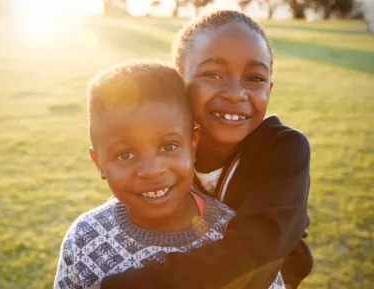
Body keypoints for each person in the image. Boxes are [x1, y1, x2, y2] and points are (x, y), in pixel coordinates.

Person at [100, 10, 313, 289]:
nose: (236, 93)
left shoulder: (284, 150)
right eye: (213, 74)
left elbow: (253, 255)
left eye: (255, 78)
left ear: (269, 90)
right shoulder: (165, 147)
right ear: (178, 85)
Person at [53, 61, 286, 289]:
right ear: (99, 163)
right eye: (125, 155)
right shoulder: (84, 238)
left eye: (169, 146)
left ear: (193, 144)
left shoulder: (232, 239)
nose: (152, 170)